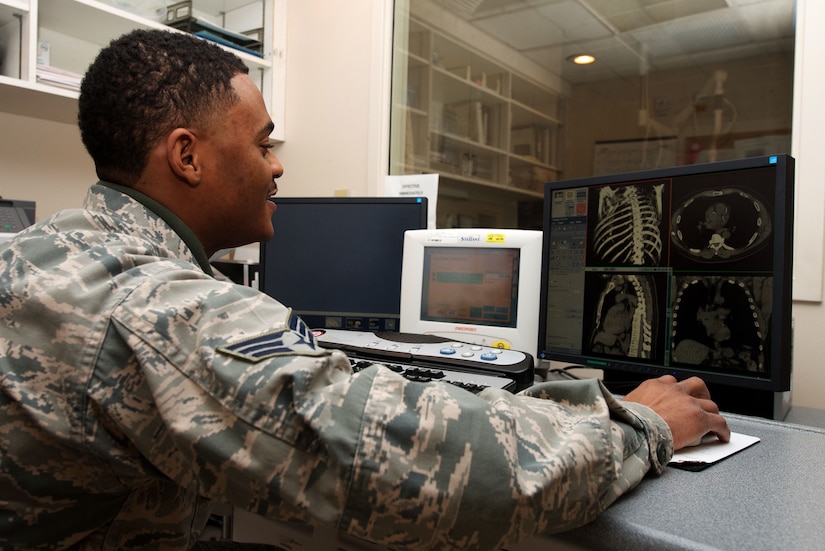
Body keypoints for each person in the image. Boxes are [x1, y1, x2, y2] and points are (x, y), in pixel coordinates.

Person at [0, 28, 729, 550]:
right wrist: (642, 422)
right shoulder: (160, 310)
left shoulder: (38, 252)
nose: (276, 167)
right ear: (186, 156)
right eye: (262, 144)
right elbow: (429, 471)